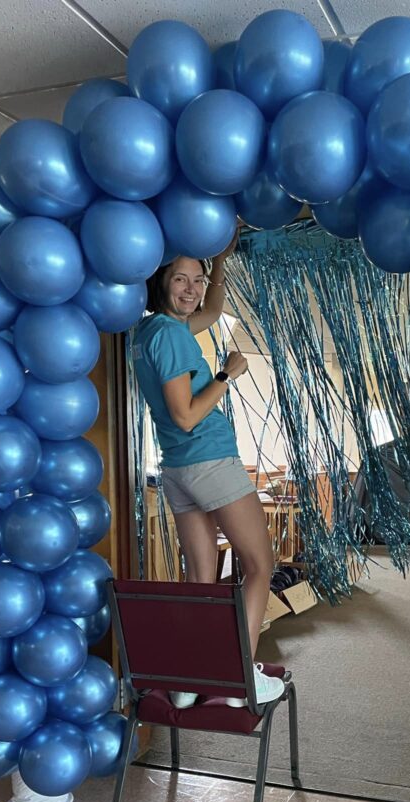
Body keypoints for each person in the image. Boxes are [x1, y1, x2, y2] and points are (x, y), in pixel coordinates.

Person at [132, 235, 284, 708]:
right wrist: (226, 375)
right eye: (181, 278)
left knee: (200, 579)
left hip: (177, 469)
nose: (193, 288)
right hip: (209, 460)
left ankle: (188, 681)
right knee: (260, 567)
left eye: (197, 280)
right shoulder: (172, 335)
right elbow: (185, 415)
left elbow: (213, 310)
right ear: (160, 280)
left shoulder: (146, 333)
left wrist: (217, 262)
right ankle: (237, 678)